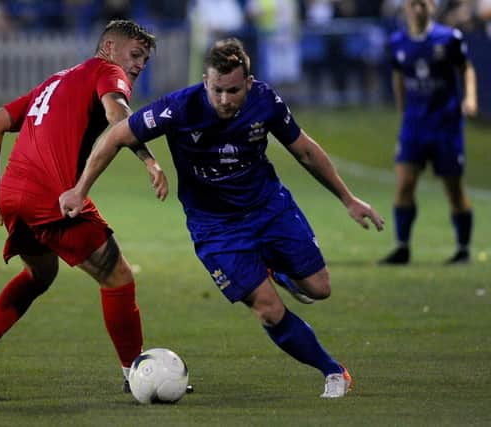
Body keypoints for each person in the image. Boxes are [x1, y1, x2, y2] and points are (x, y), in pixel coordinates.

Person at [60, 38, 385, 398]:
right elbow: (115, 137)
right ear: (205, 82)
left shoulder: (266, 101)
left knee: (319, 289)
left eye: (233, 90)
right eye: (217, 90)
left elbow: (305, 151)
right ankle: (333, 371)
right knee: (267, 309)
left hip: (269, 208)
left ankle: (278, 271)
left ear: (248, 83)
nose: (225, 100)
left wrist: (348, 199)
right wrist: (80, 189)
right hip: (216, 228)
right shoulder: (179, 108)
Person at [0, 20, 165, 392]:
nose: (138, 65)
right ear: (108, 48)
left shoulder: (55, 81)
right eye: (134, 55)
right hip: (48, 197)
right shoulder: (107, 71)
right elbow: (118, 116)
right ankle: (135, 376)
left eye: (144, 61)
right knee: (117, 276)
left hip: (13, 195)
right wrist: (149, 160)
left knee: (41, 274)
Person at [379, 0, 477, 265]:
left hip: (445, 124)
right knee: (405, 183)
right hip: (414, 126)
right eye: (413, 5)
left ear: (432, 7)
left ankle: (463, 248)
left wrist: (470, 98)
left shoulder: (449, 38)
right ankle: (402, 247)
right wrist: (403, 113)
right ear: (406, 9)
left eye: (423, 4)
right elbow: (398, 77)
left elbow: (466, 68)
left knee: (453, 189)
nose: (418, 10)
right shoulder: (397, 41)